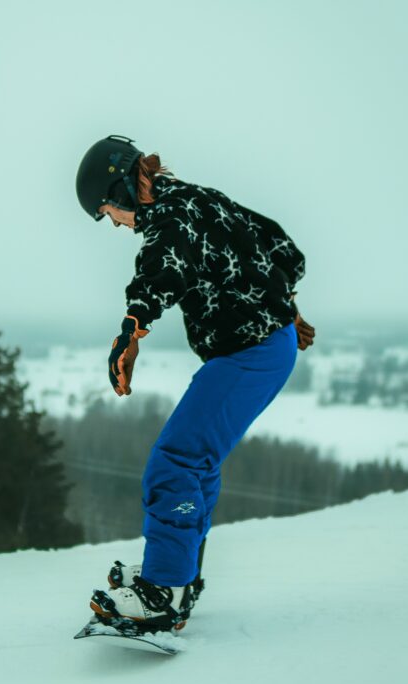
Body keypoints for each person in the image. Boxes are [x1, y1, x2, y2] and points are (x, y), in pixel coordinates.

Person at [76, 135, 316, 631]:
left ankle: (163, 591)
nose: (116, 225)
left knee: (176, 460)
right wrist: (287, 307)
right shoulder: (198, 198)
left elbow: (163, 265)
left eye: (108, 212)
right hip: (262, 345)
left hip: (250, 350)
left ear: (120, 187)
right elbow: (280, 247)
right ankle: (180, 575)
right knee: (196, 461)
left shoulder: (171, 215)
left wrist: (131, 328)